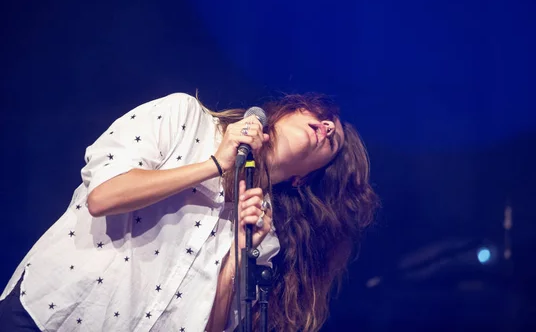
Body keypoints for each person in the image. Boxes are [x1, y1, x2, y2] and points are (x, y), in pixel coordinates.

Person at [0, 91, 379, 332]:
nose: (329, 127)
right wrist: (215, 164)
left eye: (335, 141)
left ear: (302, 179)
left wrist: (237, 259)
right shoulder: (184, 118)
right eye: (323, 117)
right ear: (282, 113)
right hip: (47, 316)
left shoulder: (261, 233)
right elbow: (102, 196)